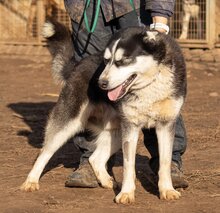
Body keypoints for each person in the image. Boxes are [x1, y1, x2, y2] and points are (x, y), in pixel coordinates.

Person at [63, 0, 189, 189]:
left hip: (133, 6)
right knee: (92, 84)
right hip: (85, 8)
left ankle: (167, 162)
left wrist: (160, 18)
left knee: (154, 81)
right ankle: (91, 158)